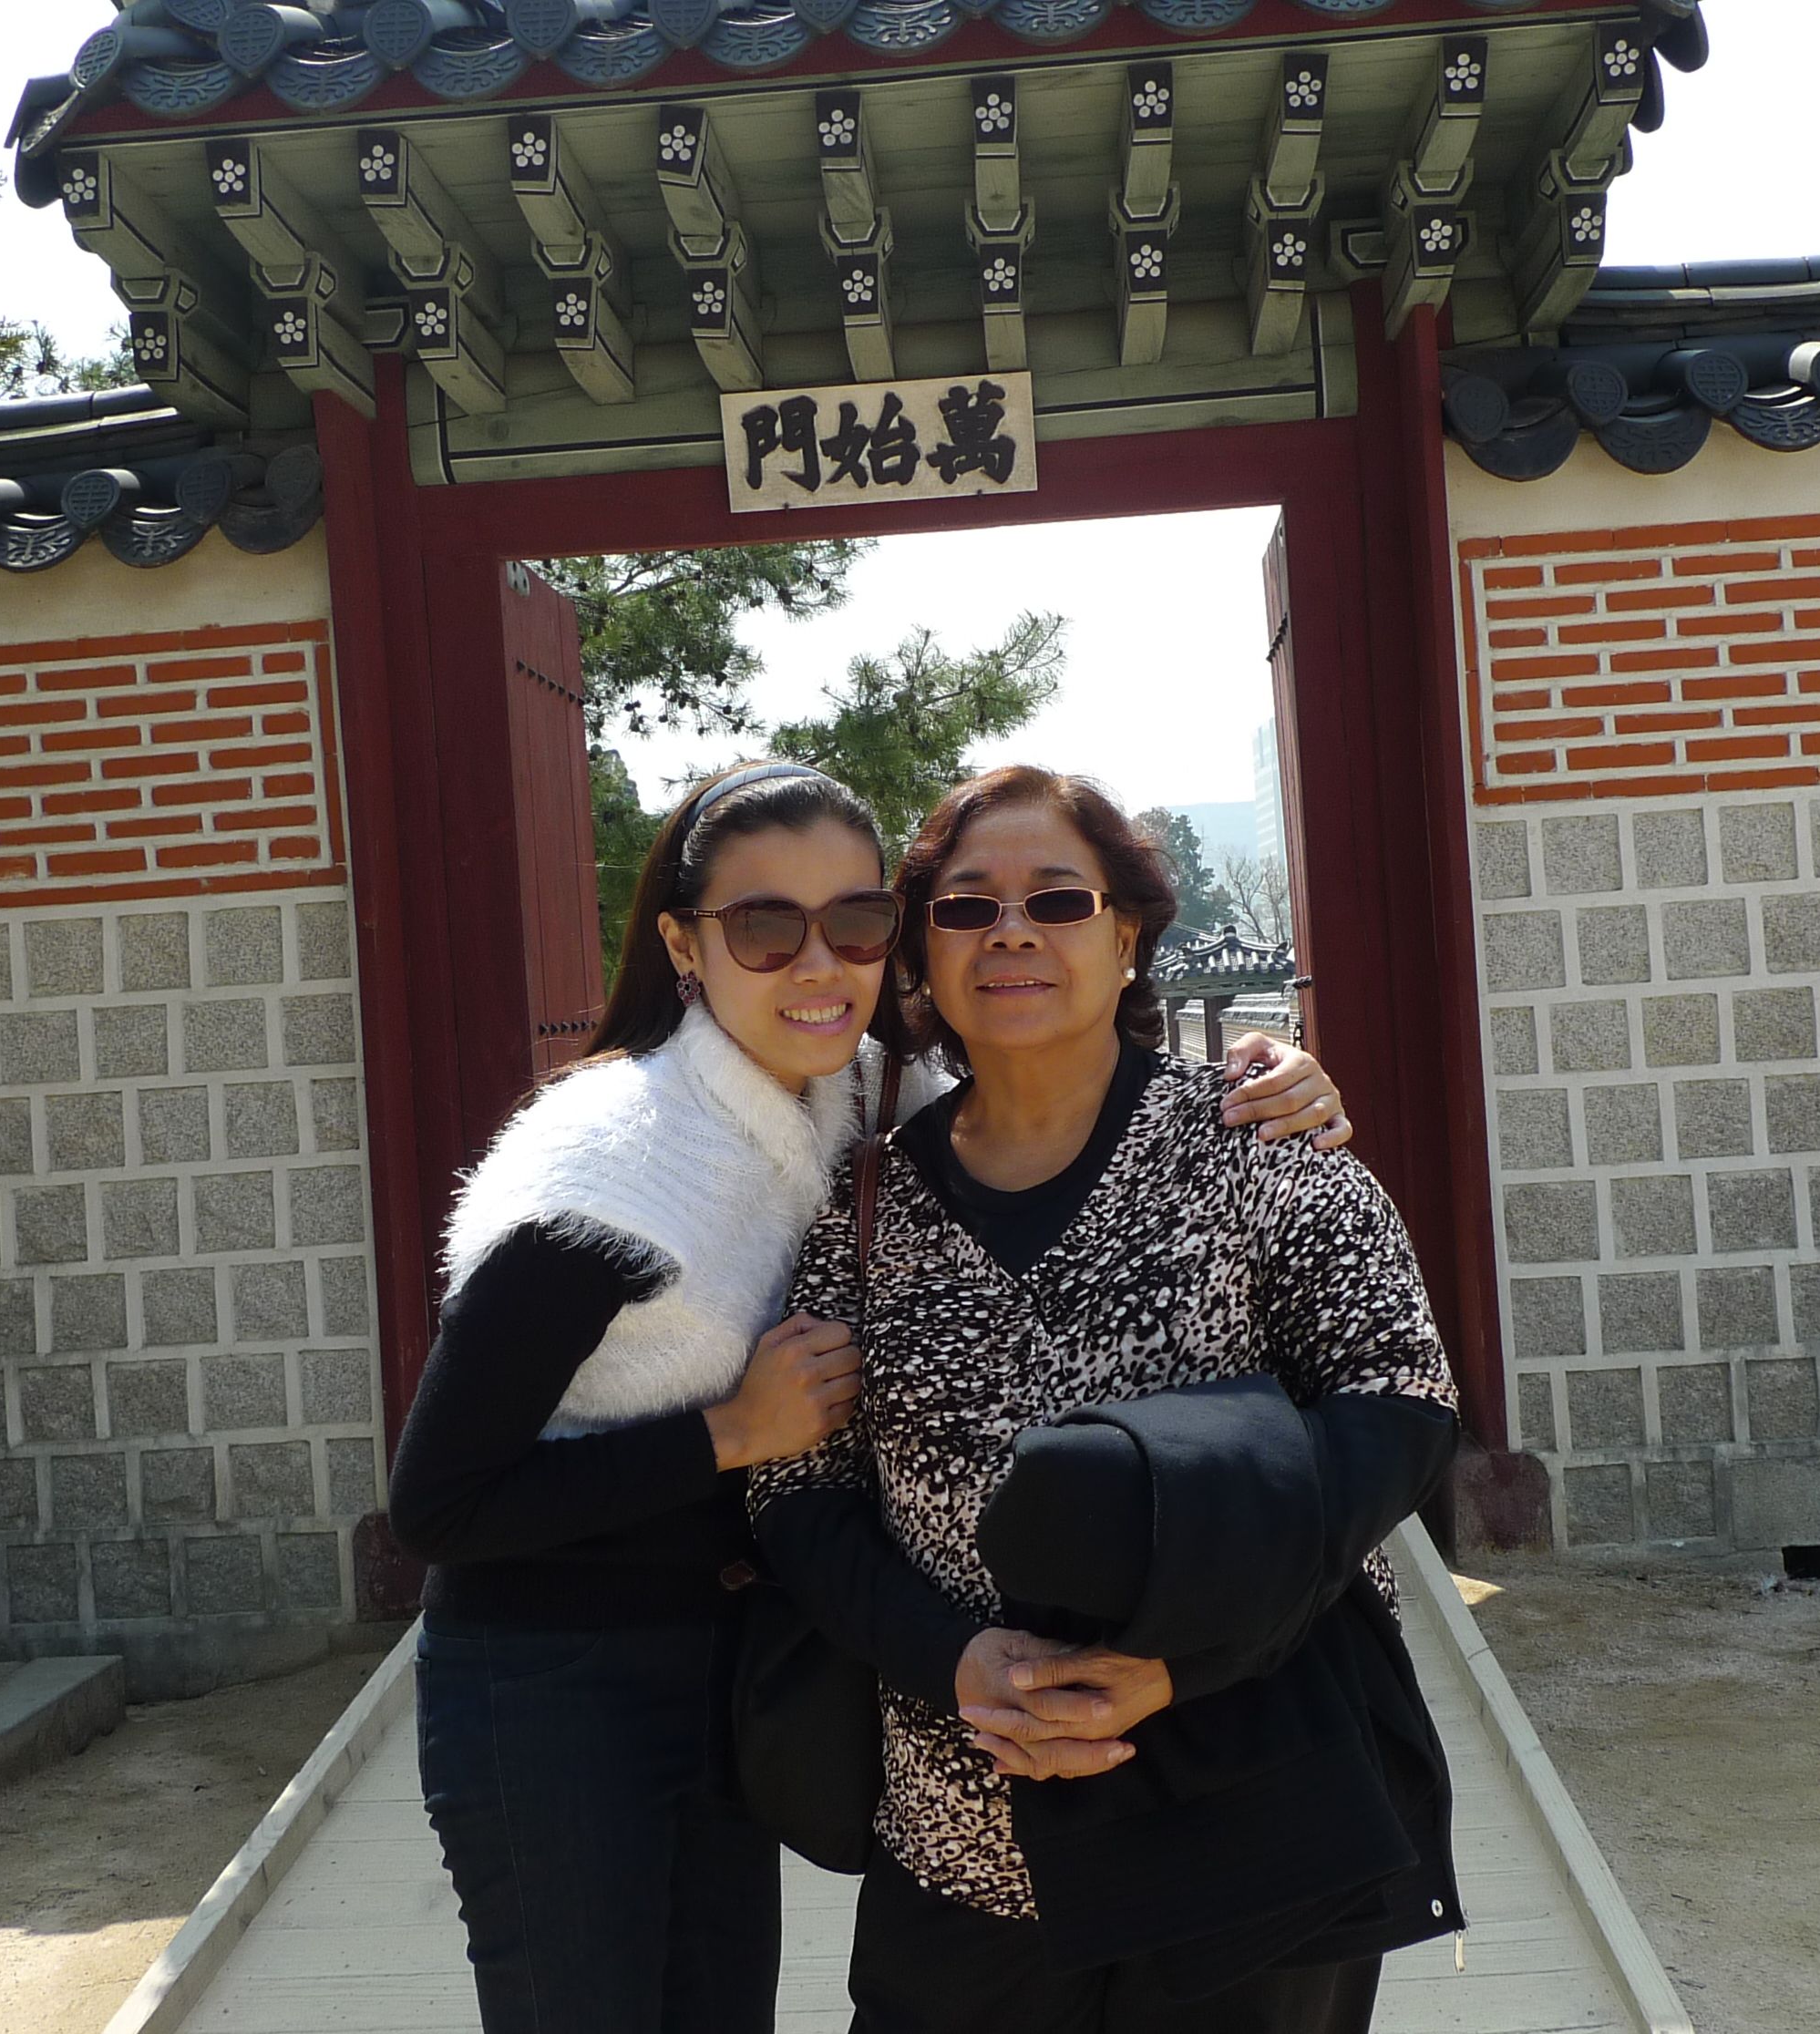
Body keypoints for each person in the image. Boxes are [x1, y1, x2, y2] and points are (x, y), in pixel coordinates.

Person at [386, 759, 1354, 2034]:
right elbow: (437, 1504)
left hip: (726, 1656)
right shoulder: (599, 1174)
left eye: (854, 922)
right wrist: (732, 1432)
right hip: (553, 1679)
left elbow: (1044, 1094)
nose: (819, 966)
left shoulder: (852, 1092)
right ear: (683, 945)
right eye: (764, 927)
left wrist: (1272, 1078)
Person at [751, 765, 1463, 2034]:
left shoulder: (1256, 1145)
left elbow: (1396, 1403)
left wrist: (1179, 1661)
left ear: (1127, 934)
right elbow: (802, 1497)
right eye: (967, 906)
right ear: (922, 949)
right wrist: (954, 1659)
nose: (1011, 932)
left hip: (1245, 1803)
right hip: (964, 1833)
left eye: (1058, 900)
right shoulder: (863, 1211)